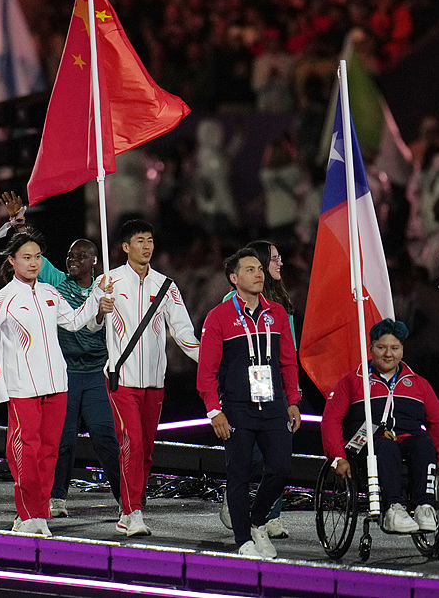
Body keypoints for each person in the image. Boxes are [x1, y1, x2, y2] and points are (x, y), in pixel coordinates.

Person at [0, 192, 122, 518]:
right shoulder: (56, 283)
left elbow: (97, 323)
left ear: (94, 261)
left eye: (80, 257)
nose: (72, 261)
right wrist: (18, 221)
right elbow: (29, 254)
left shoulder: (107, 287)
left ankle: (127, 500)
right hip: (64, 374)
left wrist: (102, 307)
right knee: (62, 441)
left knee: (106, 436)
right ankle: (55, 498)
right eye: (69, 256)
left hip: (96, 373)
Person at [197, 248, 301, 558]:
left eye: (260, 268)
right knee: (239, 474)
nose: (259, 274)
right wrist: (214, 410)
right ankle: (243, 539)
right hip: (238, 407)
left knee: (281, 468)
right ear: (234, 278)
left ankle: (257, 522)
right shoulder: (219, 316)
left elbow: (288, 361)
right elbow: (207, 371)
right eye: (251, 269)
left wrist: (293, 400)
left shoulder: (277, 313)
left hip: (273, 405)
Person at [105, 219, 201, 536]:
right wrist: (98, 307)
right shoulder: (110, 281)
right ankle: (133, 512)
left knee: (145, 450)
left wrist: (211, 360)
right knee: (131, 444)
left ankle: (130, 506)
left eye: (150, 240)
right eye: (140, 240)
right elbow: (90, 324)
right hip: (122, 382)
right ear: (125, 247)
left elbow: (184, 333)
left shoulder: (166, 286)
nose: (147, 246)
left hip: (155, 384)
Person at [321, 318, 439, 534]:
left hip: (407, 439)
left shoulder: (419, 383)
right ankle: (392, 508)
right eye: (381, 347)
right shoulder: (353, 382)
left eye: (395, 348)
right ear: (371, 348)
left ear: (402, 350)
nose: (388, 354)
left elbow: (438, 421)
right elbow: (331, 420)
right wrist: (337, 457)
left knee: (424, 443)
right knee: (385, 446)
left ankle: (425, 506)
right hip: (366, 444)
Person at [219, 240, 296, 539]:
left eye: (272, 263)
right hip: (241, 394)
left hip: (273, 390)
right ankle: (239, 507)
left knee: (276, 460)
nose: (278, 265)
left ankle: (268, 516)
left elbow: (288, 351)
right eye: (273, 259)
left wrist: (292, 393)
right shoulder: (231, 303)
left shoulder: (279, 305)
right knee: (248, 459)